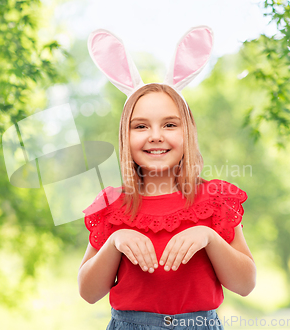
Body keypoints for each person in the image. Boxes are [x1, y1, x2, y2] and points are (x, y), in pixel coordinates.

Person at [78, 26, 256, 330]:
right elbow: (88, 292)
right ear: (125, 136)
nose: (156, 136)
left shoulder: (215, 199)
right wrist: (115, 242)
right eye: (141, 126)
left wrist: (209, 237)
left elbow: (245, 284)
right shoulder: (112, 205)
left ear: (187, 133)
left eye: (170, 125)